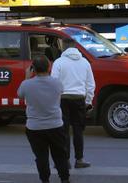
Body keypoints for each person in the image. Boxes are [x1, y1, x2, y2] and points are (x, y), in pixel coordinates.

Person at [17, 54, 70, 183]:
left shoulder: (26, 84)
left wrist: (26, 78)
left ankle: (45, 180)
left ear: (33, 69)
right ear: (49, 67)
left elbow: (20, 95)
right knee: (60, 155)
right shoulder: (57, 83)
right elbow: (60, 92)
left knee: (41, 156)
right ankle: (64, 179)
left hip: (34, 127)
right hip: (55, 125)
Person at [51, 38, 95, 169]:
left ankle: (65, 161)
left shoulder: (58, 62)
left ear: (63, 47)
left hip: (63, 99)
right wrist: (88, 101)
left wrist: (55, 101)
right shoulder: (85, 62)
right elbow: (90, 84)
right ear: (76, 47)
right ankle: (79, 160)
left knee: (63, 132)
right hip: (79, 99)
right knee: (78, 131)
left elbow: (54, 83)